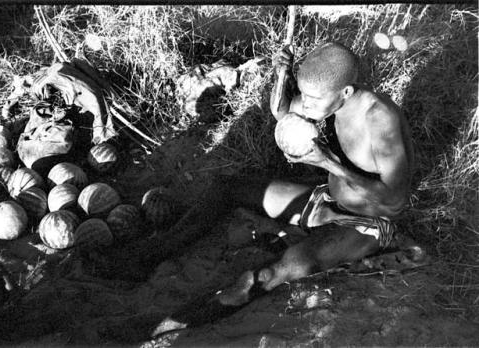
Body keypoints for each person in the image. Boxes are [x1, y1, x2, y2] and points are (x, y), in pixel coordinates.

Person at [152, 42, 414, 335]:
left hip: (370, 221)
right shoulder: (328, 98)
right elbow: (283, 112)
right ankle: (149, 254)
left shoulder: (379, 119)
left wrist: (328, 163)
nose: (307, 104)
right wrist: (281, 74)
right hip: (326, 199)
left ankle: (174, 326)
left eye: (313, 100)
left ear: (347, 92)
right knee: (228, 188)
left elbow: (395, 200)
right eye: (305, 95)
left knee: (283, 269)